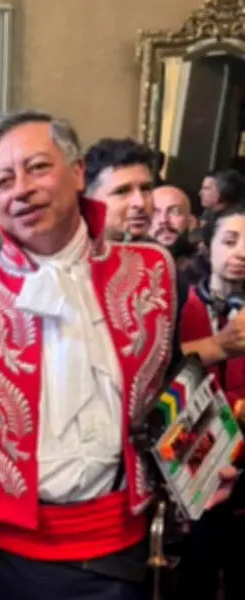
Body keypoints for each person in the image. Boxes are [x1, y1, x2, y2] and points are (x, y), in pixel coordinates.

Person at [0, 110, 244, 600]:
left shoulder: (154, 275)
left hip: (128, 559)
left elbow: (170, 386)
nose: (21, 190)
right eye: (2, 181)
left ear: (79, 171)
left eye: (38, 168)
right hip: (9, 566)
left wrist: (208, 466)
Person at [176, 202, 245, 600]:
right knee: (196, 568)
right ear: (208, 245)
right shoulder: (182, 307)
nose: (241, 253)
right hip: (195, 453)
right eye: (230, 241)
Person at [84, 137, 155, 242]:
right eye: (122, 191)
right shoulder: (67, 250)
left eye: (145, 189)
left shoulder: (160, 251)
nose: (140, 203)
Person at [150, 185, 203, 284]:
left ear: (191, 222)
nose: (163, 220)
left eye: (175, 212)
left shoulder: (204, 271)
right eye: (155, 212)